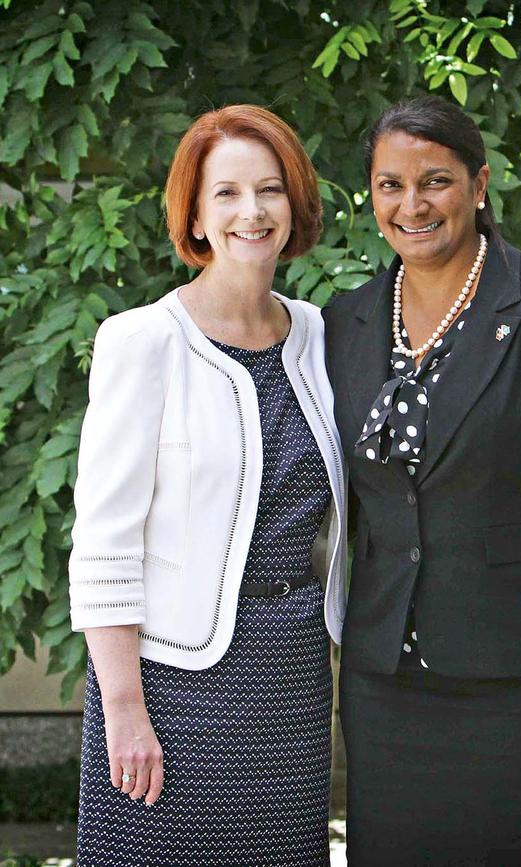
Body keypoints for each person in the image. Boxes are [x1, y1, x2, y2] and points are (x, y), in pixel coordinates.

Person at [322, 95, 521, 866]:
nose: (412, 204)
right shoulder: (347, 321)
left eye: (435, 180)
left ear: (479, 184)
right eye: (390, 185)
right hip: (385, 681)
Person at [69, 104, 347, 867]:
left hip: (289, 675)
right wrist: (124, 709)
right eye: (225, 193)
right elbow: (104, 542)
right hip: (167, 682)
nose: (251, 212)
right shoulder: (142, 340)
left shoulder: (325, 337)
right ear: (194, 211)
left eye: (269, 190)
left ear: (296, 203)